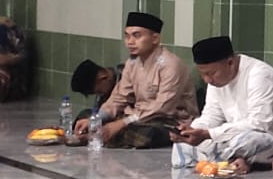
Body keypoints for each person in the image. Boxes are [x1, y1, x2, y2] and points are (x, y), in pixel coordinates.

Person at [172, 36, 273, 172]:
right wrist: (191, 131)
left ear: (230, 63)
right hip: (237, 137)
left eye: (211, 73)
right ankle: (227, 163)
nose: (207, 80)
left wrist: (208, 134)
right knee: (183, 144)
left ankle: (223, 163)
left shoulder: (259, 75)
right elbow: (212, 115)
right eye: (202, 75)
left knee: (247, 140)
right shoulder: (216, 81)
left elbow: (259, 124)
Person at [69, 12, 198, 148]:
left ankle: (94, 136)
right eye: (127, 36)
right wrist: (95, 119)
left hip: (167, 121)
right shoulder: (132, 63)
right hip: (136, 118)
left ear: (155, 38)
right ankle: (97, 134)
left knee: (146, 135)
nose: (130, 42)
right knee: (86, 115)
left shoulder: (171, 65)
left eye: (137, 35)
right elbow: (119, 97)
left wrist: (122, 123)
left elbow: (161, 108)